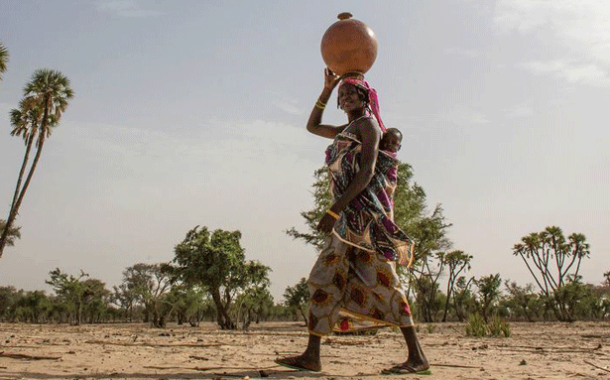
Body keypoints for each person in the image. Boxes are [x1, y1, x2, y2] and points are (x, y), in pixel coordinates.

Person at [275, 70, 430, 375]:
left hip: (363, 221)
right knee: (324, 278)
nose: (344, 98)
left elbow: (367, 172)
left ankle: (417, 356)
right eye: (340, 96)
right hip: (348, 223)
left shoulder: (368, 126)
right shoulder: (347, 128)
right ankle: (312, 355)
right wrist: (326, 88)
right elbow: (312, 125)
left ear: (365, 97)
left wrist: (335, 209)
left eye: (350, 93)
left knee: (385, 282)